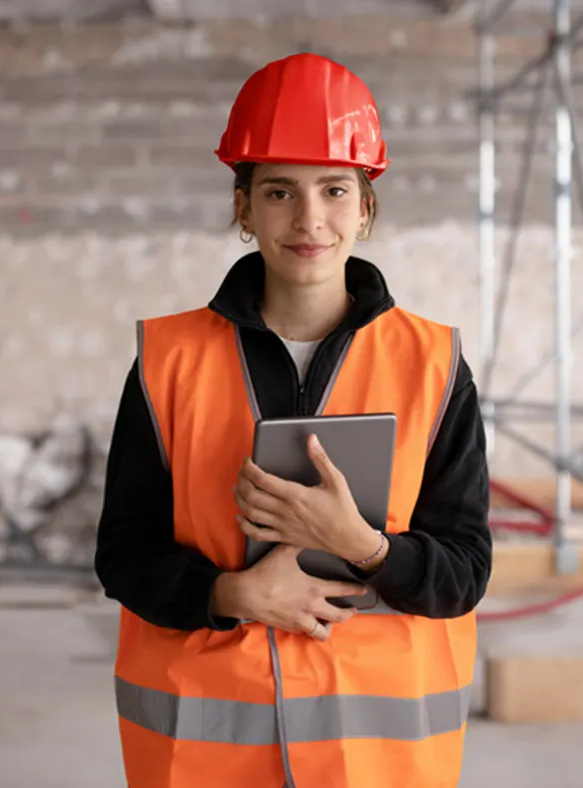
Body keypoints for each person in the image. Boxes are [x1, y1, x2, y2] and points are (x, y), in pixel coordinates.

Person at [93, 52, 492, 788]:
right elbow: (122, 554)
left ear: (365, 208)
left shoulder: (434, 364)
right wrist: (228, 595)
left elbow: (463, 574)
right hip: (211, 755)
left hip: (375, 761)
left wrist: (364, 548)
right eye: (279, 192)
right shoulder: (167, 361)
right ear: (243, 207)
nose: (309, 219)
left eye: (335, 190)